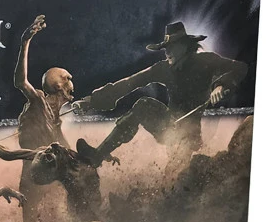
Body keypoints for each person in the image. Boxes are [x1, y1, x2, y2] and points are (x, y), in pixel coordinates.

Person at [74, 22, 248, 179]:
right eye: (165, 48)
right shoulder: (164, 68)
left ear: (185, 45)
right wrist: (90, 102)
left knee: (175, 177)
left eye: (172, 47)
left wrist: (221, 85)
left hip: (189, 134)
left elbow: (240, 67)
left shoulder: (206, 61)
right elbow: (129, 83)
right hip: (166, 125)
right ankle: (97, 156)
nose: (167, 52)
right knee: (143, 105)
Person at [13, 15, 74, 222]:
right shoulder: (39, 100)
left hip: (48, 171)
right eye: (67, 78)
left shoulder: (55, 116)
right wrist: (25, 41)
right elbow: (21, 82)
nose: (71, 81)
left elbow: (62, 142)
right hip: (33, 171)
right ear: (58, 85)